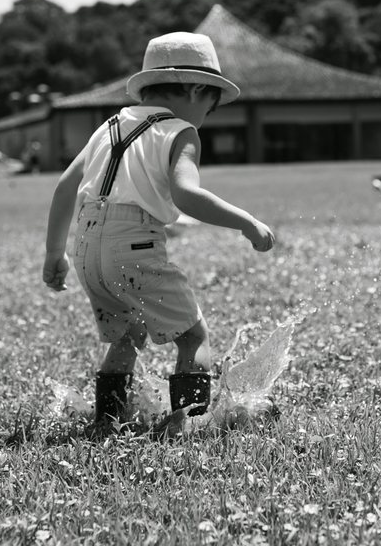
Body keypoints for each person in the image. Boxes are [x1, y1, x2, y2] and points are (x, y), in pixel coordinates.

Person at [41, 31, 275, 424]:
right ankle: (188, 424)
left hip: (85, 246)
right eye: (210, 108)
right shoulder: (180, 131)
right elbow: (187, 195)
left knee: (127, 334)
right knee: (194, 336)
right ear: (199, 89)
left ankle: (109, 419)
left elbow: (66, 187)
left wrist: (54, 253)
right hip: (134, 243)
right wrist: (246, 222)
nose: (204, 119)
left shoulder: (109, 125)